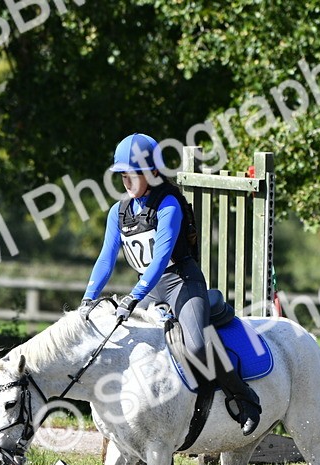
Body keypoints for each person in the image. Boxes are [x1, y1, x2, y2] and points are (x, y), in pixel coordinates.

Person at [78, 133, 261, 435]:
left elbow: (161, 259)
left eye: (133, 175)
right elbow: (105, 260)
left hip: (182, 284)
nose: (126, 182)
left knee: (197, 346)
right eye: (122, 175)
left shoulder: (169, 204)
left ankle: (244, 398)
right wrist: (88, 299)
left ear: (151, 173)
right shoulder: (118, 212)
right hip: (149, 289)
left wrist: (133, 297)